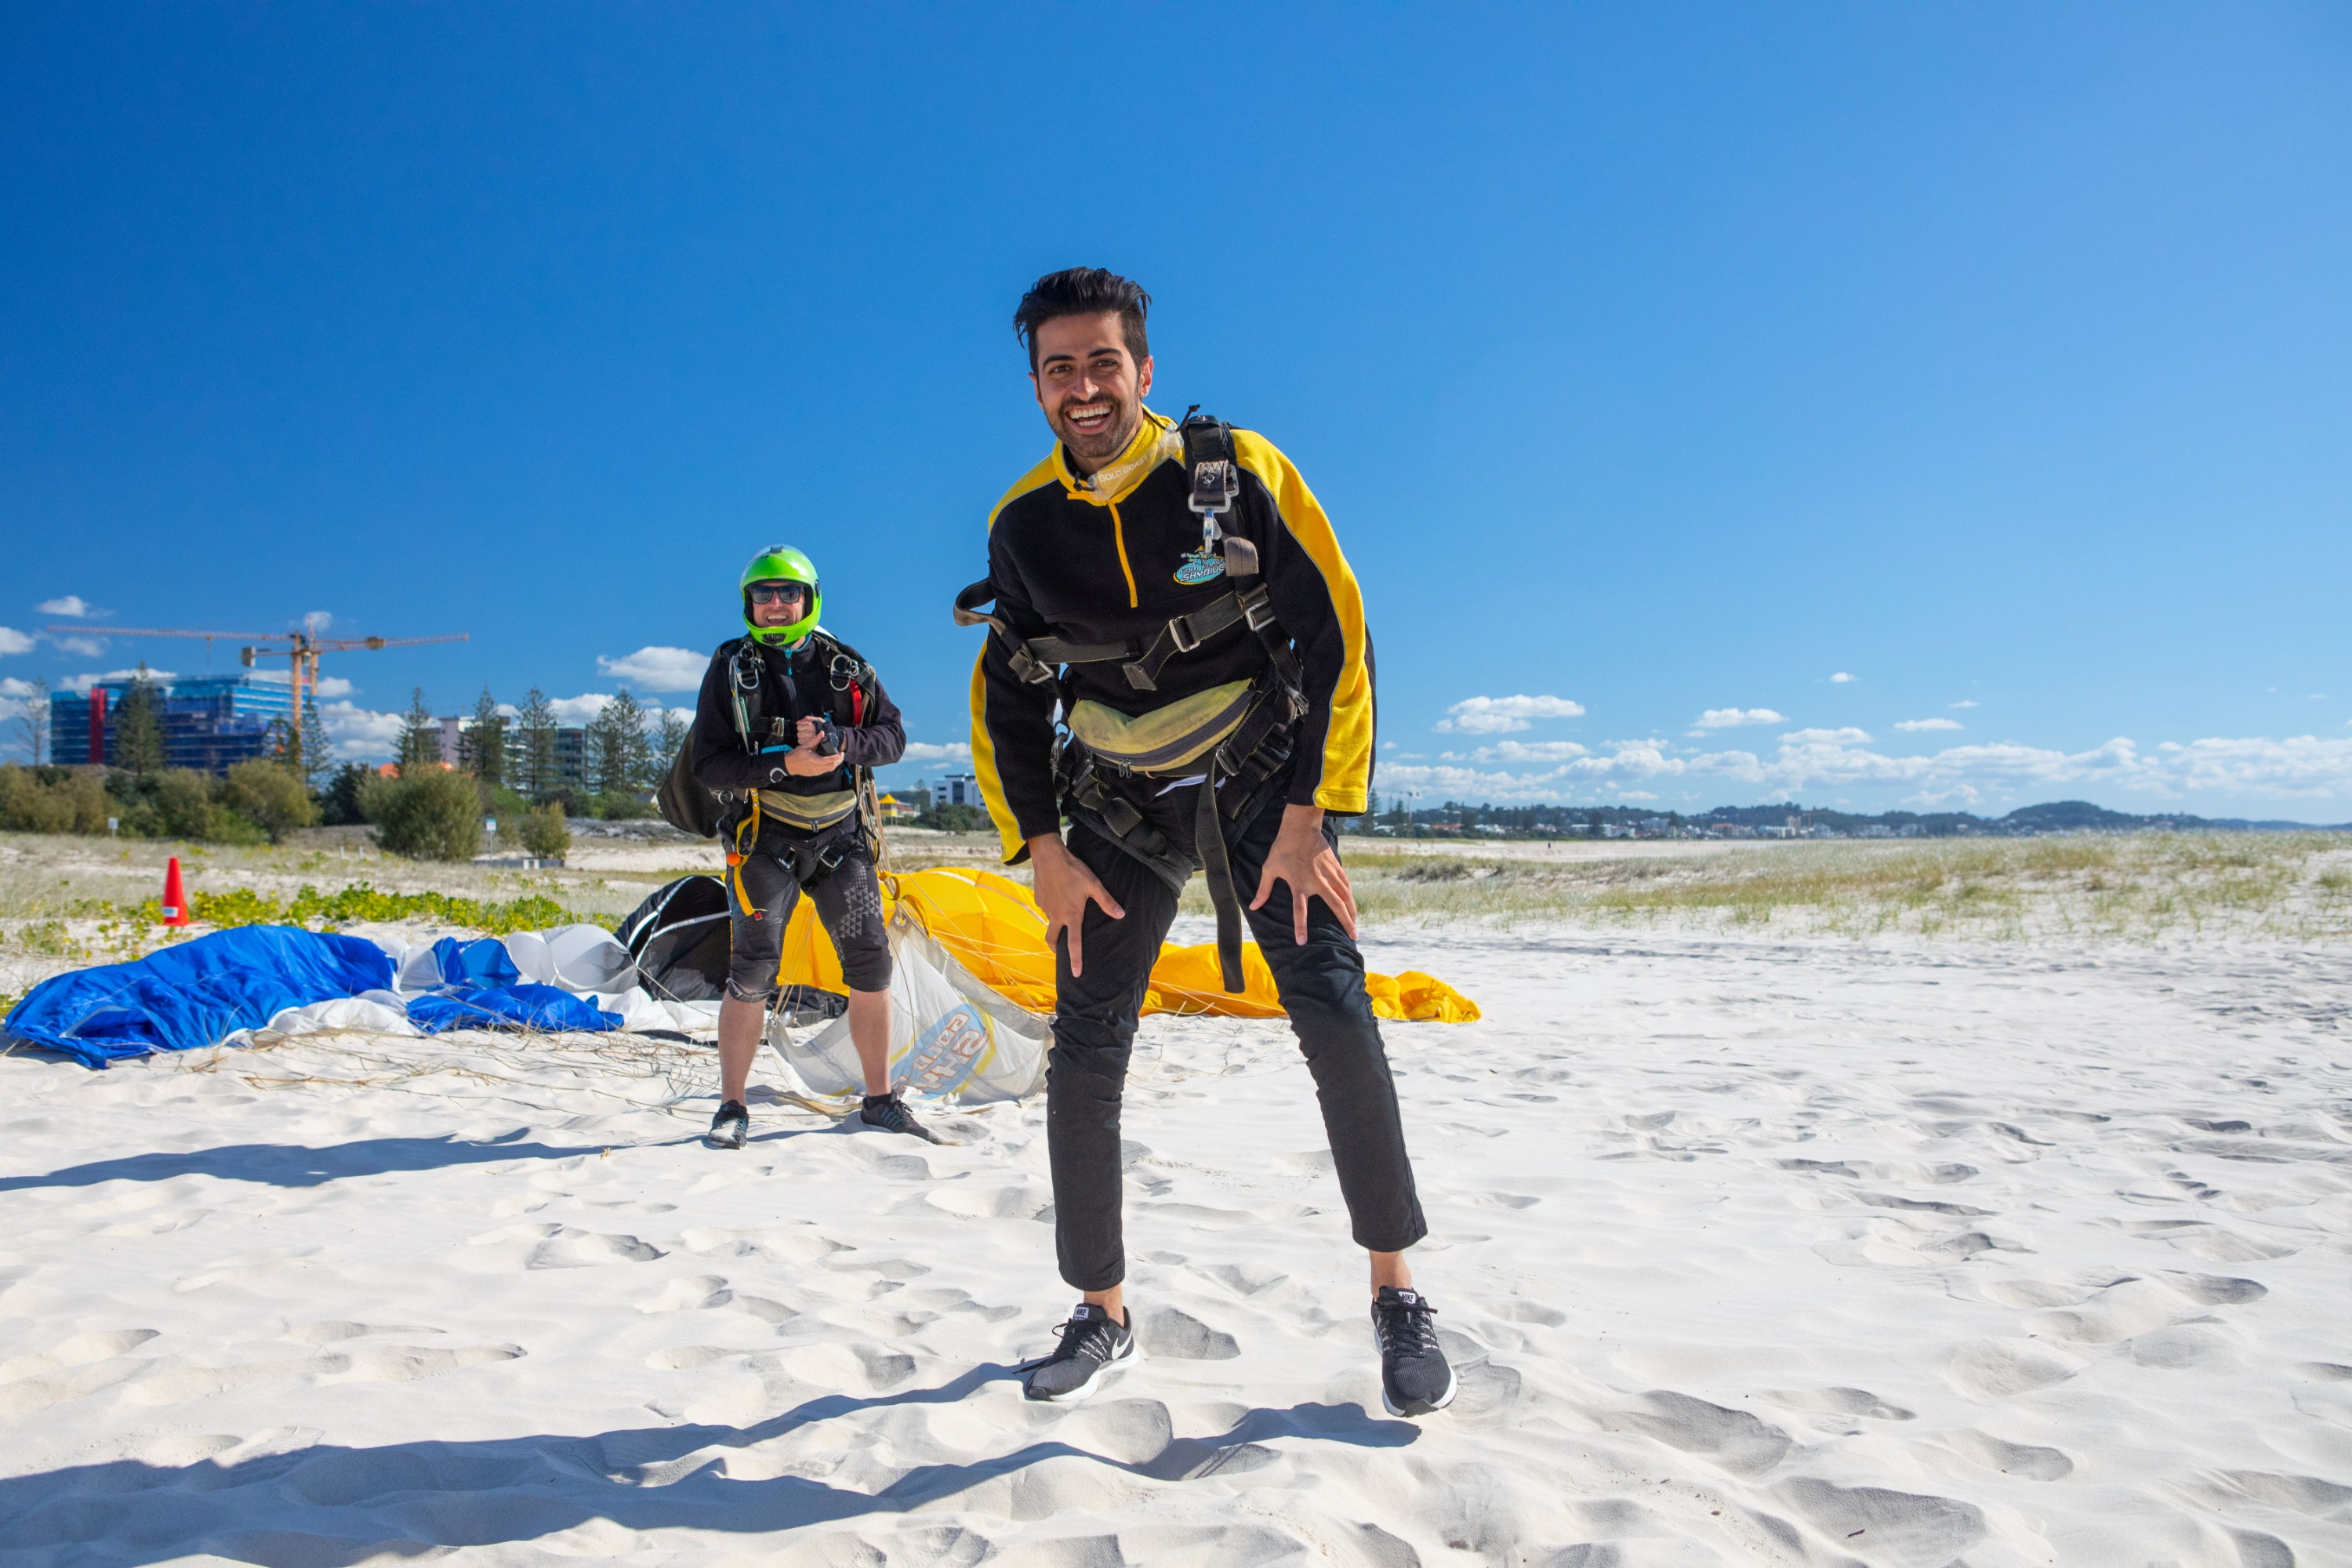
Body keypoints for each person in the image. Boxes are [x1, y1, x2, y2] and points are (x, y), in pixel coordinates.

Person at [958, 268, 1454, 1415]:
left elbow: (1338, 636)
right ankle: (1100, 1308)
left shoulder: (1237, 474)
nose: (1083, 387)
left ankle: (1396, 1293)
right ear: (1035, 386)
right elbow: (1007, 698)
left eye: (1103, 362)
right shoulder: (1023, 526)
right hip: (1116, 802)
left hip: (1258, 786)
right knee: (1085, 1044)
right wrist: (1043, 850)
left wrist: (1307, 819)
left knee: (1333, 1009)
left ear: (1144, 369)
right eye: (1058, 368)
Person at [691, 546, 926, 1146]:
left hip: (842, 840)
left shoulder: (848, 666)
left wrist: (844, 743)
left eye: (786, 593)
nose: (774, 605)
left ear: (809, 598)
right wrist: (782, 764)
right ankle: (732, 1108)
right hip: (764, 840)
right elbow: (709, 765)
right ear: (749, 604)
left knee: (870, 967)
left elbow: (894, 737)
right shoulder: (731, 668)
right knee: (751, 971)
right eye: (762, 595)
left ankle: (879, 1100)